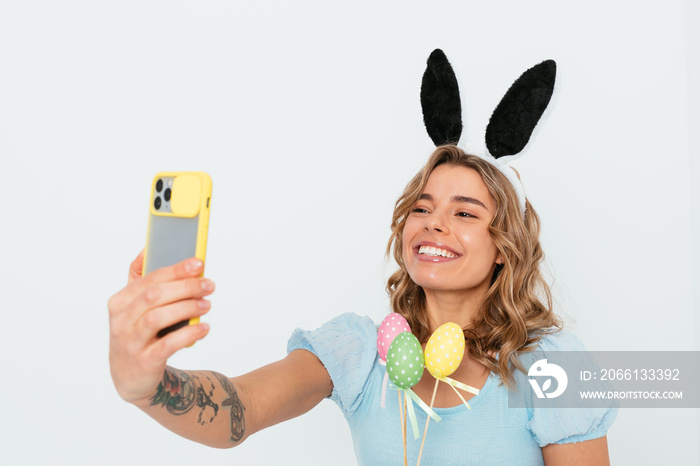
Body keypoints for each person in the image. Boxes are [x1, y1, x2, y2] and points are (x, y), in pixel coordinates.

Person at [108, 145, 617, 465]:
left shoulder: (550, 366)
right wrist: (147, 384)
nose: (434, 223)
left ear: (504, 247)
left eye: (464, 212)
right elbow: (238, 409)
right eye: (422, 208)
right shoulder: (360, 350)